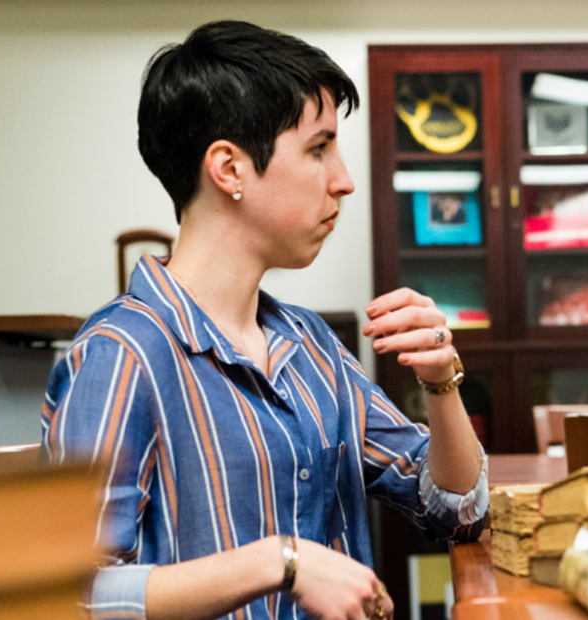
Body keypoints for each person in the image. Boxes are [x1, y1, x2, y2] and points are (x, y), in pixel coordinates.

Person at [40, 21, 488, 620]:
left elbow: (457, 512)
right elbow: (66, 596)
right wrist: (279, 561)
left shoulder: (312, 345)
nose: (345, 181)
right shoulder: (121, 354)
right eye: (318, 148)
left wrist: (440, 382)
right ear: (229, 169)